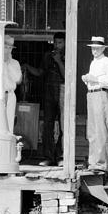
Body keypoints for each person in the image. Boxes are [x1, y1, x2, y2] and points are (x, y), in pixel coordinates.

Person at [25, 32, 65, 166]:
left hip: (63, 91)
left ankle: (61, 157)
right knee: (48, 125)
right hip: (48, 92)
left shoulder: (68, 55)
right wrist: (27, 67)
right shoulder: (47, 55)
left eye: (60, 42)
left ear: (65, 43)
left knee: (63, 125)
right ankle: (48, 157)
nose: (57, 45)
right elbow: (40, 72)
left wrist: (59, 61)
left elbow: (67, 76)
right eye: (55, 42)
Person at [81, 36, 108, 174]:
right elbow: (93, 80)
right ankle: (93, 162)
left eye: (97, 48)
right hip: (91, 94)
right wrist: (86, 79)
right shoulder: (93, 63)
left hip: (101, 94)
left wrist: (95, 79)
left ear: (103, 48)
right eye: (93, 48)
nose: (94, 50)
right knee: (92, 131)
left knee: (101, 130)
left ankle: (101, 164)